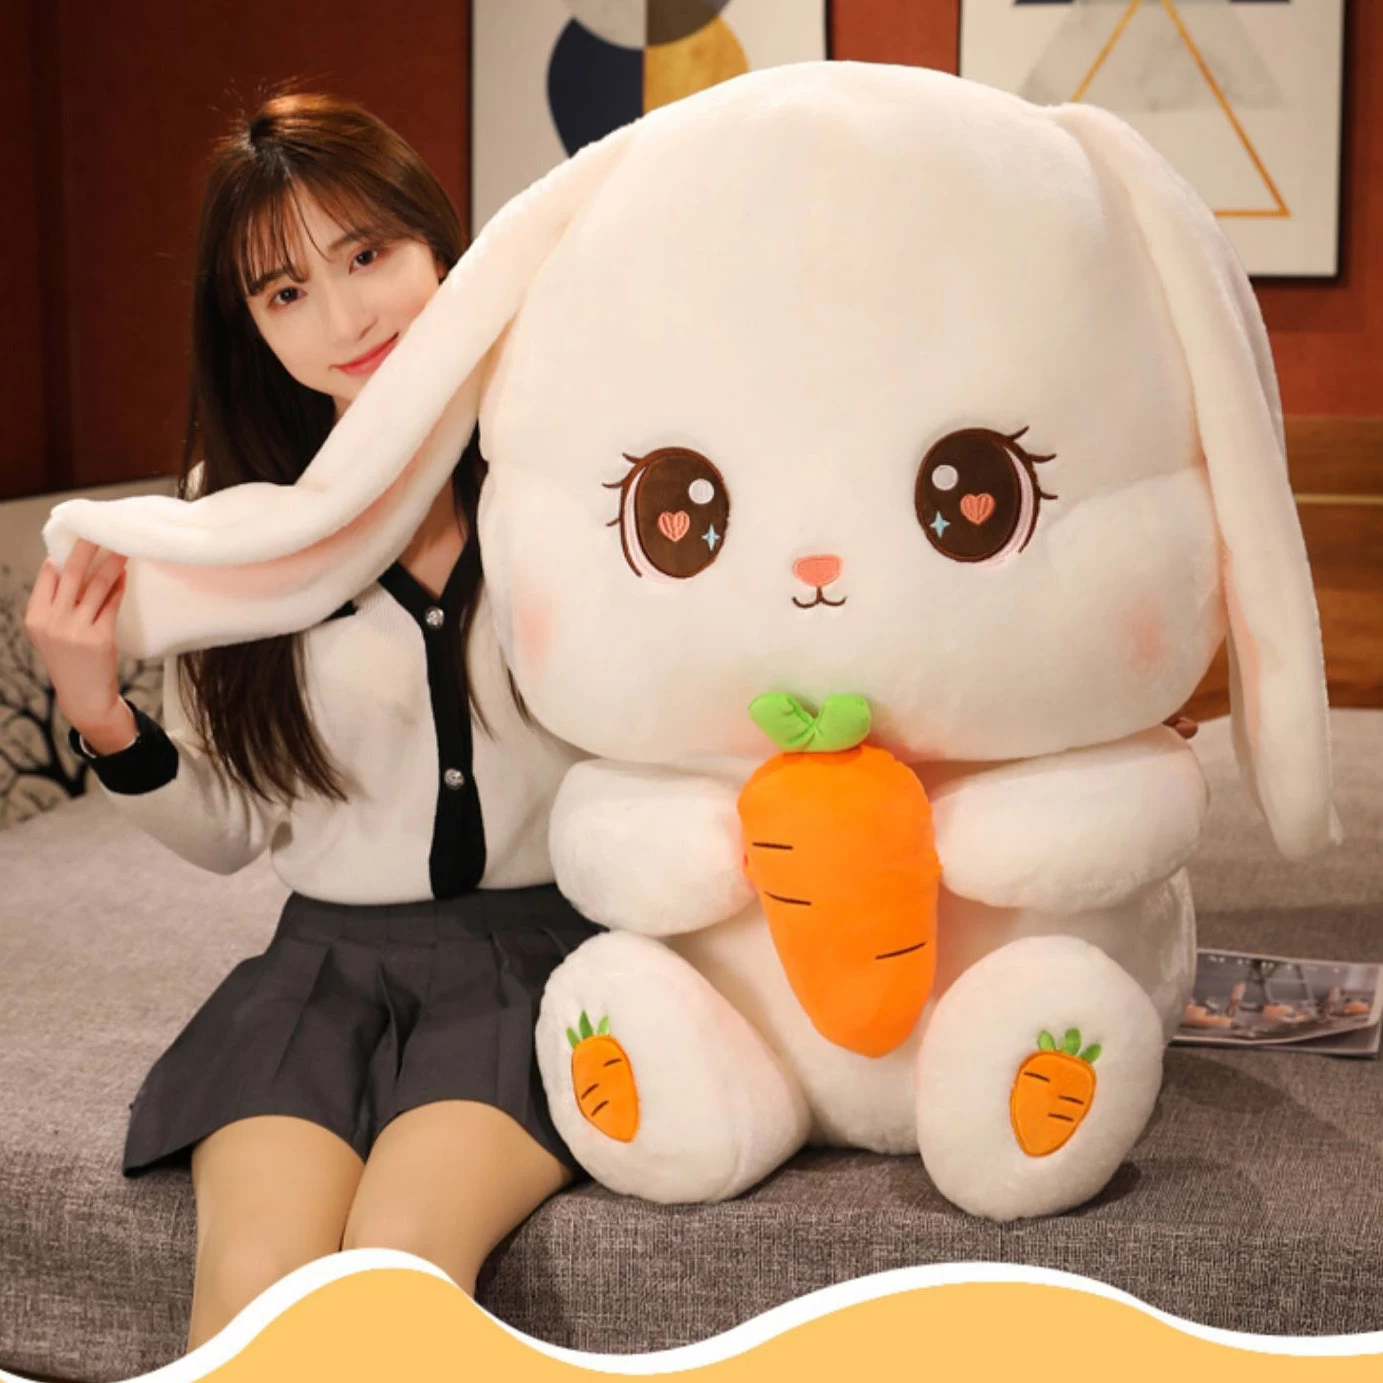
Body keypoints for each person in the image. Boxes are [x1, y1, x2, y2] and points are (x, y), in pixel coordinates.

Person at [24, 91, 597, 1350]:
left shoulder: (563, 473)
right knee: (252, 1289)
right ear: (251, 328)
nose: (345, 320)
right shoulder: (230, 528)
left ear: (440, 247)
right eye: (286, 292)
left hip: (542, 958)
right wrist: (100, 714)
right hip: (322, 970)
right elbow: (234, 834)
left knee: (395, 1270)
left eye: (367, 255)